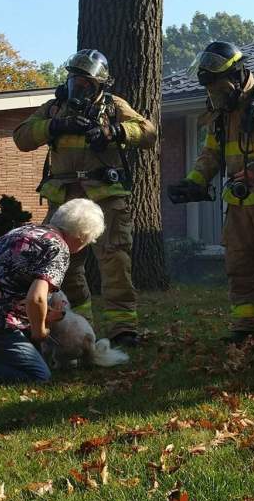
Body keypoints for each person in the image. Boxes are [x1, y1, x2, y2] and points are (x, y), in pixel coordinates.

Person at [13, 49, 157, 348]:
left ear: (100, 85)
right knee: (63, 265)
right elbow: (21, 137)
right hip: (64, 200)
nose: (78, 88)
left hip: (105, 199)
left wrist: (115, 131)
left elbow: (148, 131)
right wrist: (55, 126)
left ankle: (123, 330)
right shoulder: (54, 109)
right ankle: (80, 324)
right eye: (74, 81)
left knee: (115, 261)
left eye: (86, 84)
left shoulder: (113, 106)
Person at [169, 41, 254, 343]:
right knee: (239, 266)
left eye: (216, 84)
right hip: (239, 203)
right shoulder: (221, 113)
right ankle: (245, 328)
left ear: (234, 76)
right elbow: (210, 155)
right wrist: (193, 181)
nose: (212, 93)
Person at [0, 198, 106, 387]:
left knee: (26, 357)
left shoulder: (25, 230)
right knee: (38, 375)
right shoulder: (58, 248)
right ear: (82, 236)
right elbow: (36, 298)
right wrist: (40, 331)